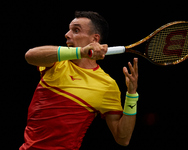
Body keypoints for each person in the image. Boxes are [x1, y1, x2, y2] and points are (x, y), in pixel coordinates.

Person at [20, 11, 139, 150]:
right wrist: (81, 52)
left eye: (76, 30)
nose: (67, 34)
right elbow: (30, 56)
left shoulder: (107, 85)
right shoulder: (57, 63)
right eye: (69, 29)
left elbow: (122, 138)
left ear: (95, 39)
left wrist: (132, 95)